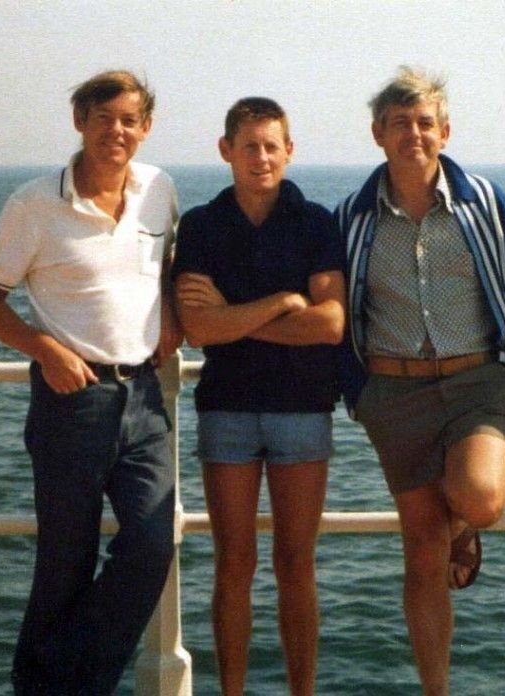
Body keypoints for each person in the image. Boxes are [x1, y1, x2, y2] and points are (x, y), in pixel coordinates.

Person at [335, 66, 505, 695]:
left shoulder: (483, 201)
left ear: (445, 131)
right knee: (422, 556)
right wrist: (359, 394)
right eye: (400, 124)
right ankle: (437, 689)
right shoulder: (353, 215)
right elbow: (343, 306)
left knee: (480, 496)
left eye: (425, 123)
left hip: (479, 380)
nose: (413, 135)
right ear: (379, 134)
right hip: (393, 395)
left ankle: (467, 526)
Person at [0, 70, 181, 694]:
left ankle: (56, 683)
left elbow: (163, 266)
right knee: (64, 566)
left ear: (144, 129)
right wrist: (44, 349)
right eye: (104, 117)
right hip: (71, 401)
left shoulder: (160, 190)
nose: (117, 130)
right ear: (80, 122)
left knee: (150, 545)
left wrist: (169, 307)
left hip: (145, 398)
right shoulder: (34, 204)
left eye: (129, 119)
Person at [171, 97, 345, 695]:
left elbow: (329, 325)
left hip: (303, 410)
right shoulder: (200, 225)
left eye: (272, 145)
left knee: (296, 566)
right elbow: (198, 329)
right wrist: (279, 303)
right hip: (228, 411)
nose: (262, 157)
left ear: (289, 151)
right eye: (249, 146)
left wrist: (234, 316)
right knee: (234, 565)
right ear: (226, 151)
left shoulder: (317, 221)